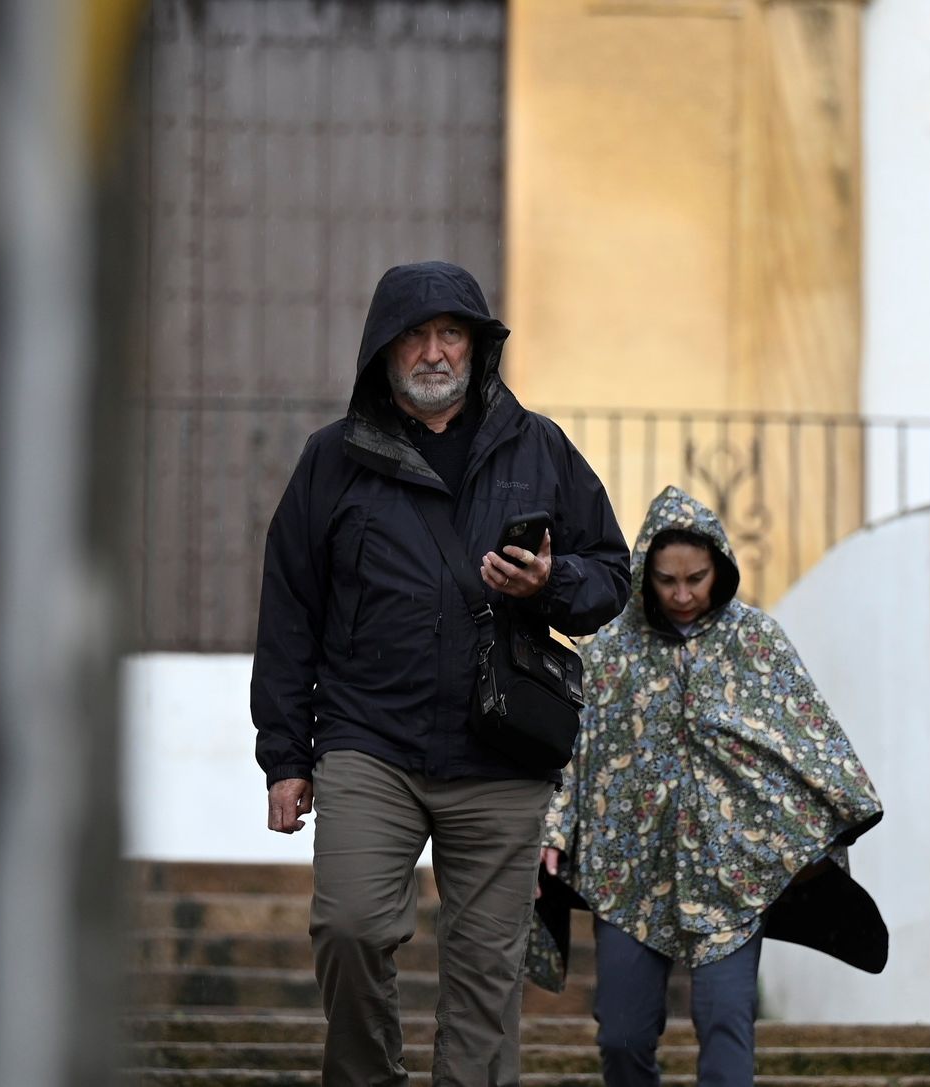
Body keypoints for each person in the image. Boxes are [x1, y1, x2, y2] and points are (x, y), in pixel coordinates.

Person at [251, 260, 631, 1087]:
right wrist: (284, 754)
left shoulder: (542, 449)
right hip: (368, 743)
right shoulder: (332, 460)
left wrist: (550, 584)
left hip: (502, 753)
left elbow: (612, 577)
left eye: (449, 333)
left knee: (486, 976)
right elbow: (289, 609)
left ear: (477, 346)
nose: (432, 351)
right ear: (382, 354)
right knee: (349, 926)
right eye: (414, 336)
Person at [529, 485, 887, 1087]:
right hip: (626, 871)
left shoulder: (757, 642)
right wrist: (554, 831)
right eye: (667, 580)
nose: (683, 594)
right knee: (621, 1036)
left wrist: (820, 823)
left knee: (726, 1027)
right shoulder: (611, 648)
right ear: (645, 573)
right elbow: (575, 747)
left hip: (733, 876)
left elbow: (807, 738)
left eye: (696, 577)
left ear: (719, 566)